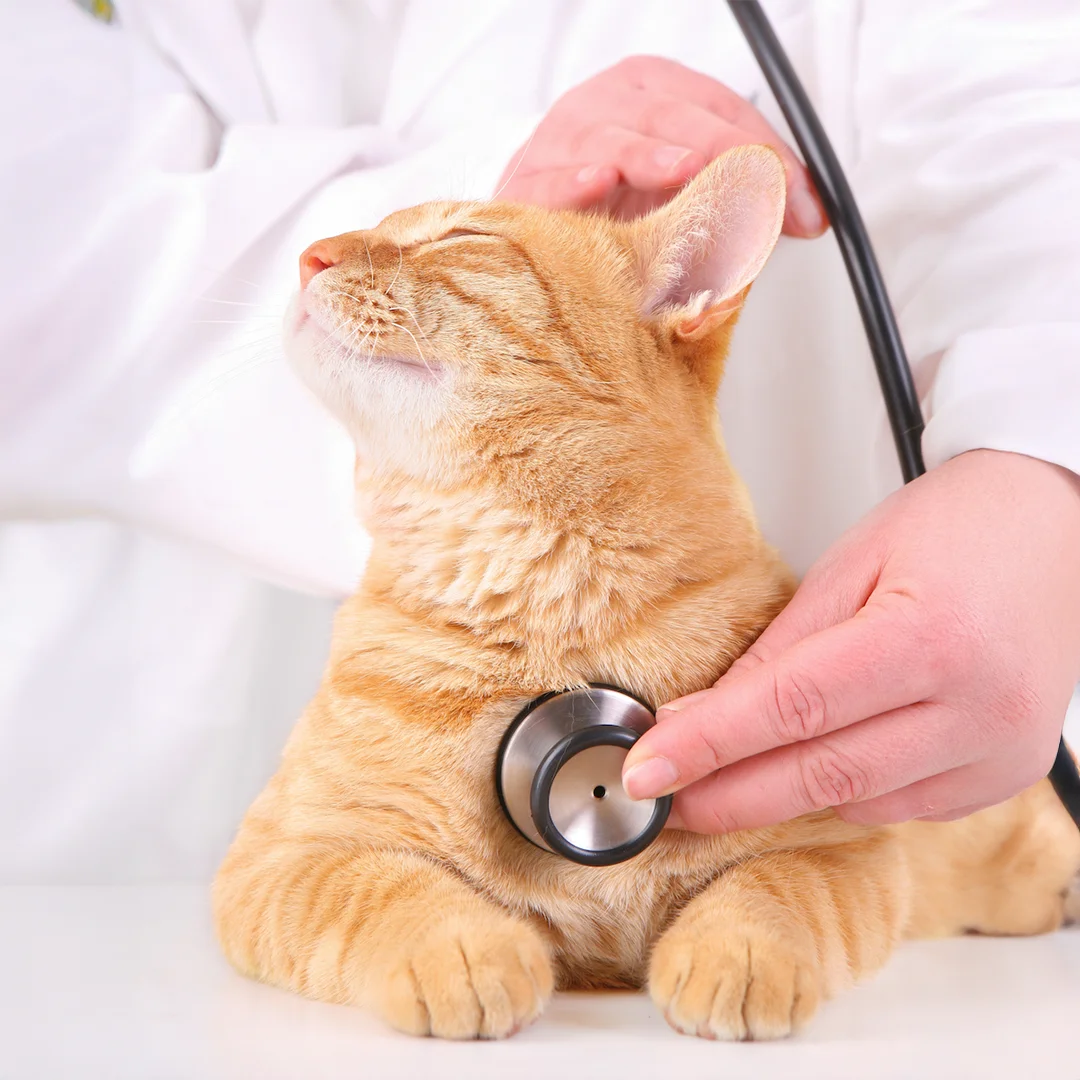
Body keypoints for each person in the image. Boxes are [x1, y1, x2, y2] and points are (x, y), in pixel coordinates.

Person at [3, 0, 1078, 881]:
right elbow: (44, 211)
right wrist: (501, 261)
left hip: (886, 911)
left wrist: (1045, 457)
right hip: (158, 770)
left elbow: (1028, 88)